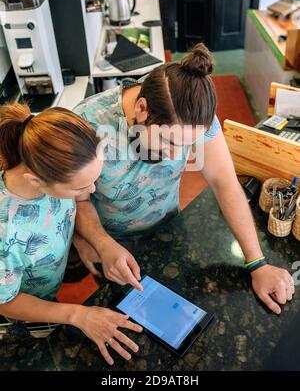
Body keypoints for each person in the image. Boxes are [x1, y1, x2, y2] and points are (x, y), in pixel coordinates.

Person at [73, 43, 295, 315]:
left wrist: (257, 263)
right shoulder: (85, 124)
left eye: (186, 145)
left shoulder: (193, 114)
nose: (175, 154)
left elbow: (225, 183)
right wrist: (96, 241)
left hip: (171, 231)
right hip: (110, 242)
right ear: (142, 108)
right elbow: (74, 199)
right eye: (168, 141)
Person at [0, 103, 142, 366]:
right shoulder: (5, 231)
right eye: (81, 186)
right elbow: (5, 301)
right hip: (21, 309)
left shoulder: (52, 163)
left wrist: (90, 240)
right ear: (36, 181)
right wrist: (78, 315)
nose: (92, 189)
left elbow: (70, 205)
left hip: (48, 289)